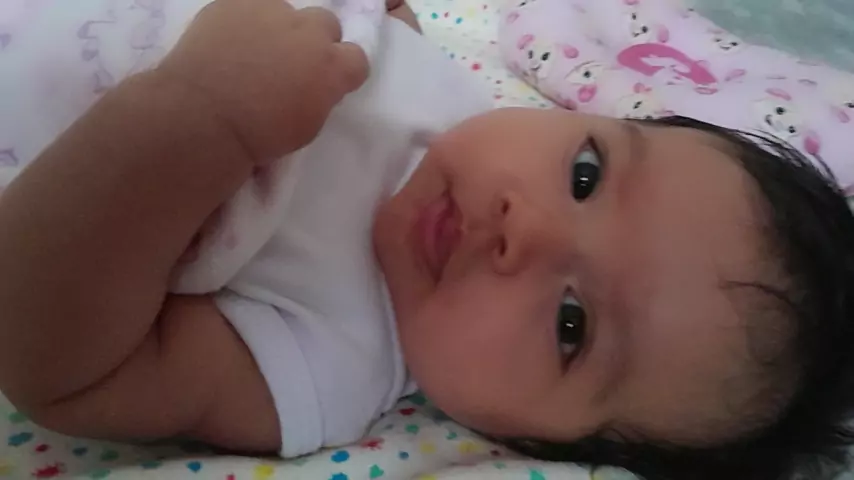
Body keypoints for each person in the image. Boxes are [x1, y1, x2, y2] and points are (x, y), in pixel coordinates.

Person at [0, 1, 854, 480]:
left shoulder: (328, 364)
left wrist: (197, 119)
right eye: (586, 173)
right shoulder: (460, 106)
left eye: (572, 325)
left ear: (536, 442)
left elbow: (61, 368)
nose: (528, 227)